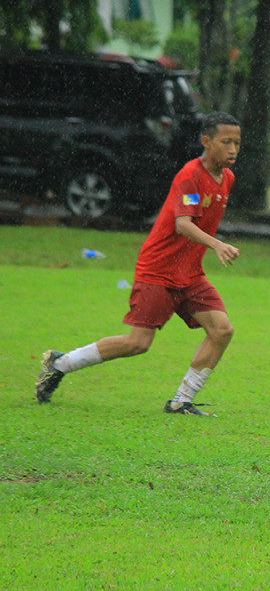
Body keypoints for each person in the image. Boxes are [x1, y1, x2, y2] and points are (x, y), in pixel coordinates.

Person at [34, 112, 243, 416]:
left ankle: (181, 401)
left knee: (222, 330)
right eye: (226, 141)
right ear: (206, 142)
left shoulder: (228, 178)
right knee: (138, 343)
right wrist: (217, 244)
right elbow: (183, 224)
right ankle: (60, 363)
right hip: (158, 270)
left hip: (190, 274)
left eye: (237, 142)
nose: (233, 148)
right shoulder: (189, 175)